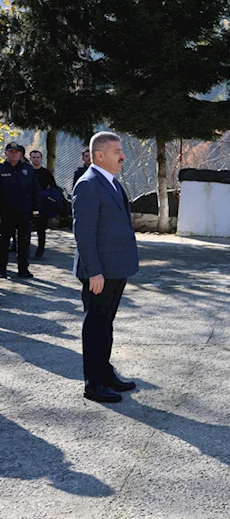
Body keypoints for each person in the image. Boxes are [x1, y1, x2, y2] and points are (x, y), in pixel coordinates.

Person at [73, 131, 139, 403]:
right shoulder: (88, 184)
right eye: (116, 152)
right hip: (100, 272)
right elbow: (83, 233)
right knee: (95, 325)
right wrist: (94, 272)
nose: (123, 156)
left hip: (115, 268)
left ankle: (105, 372)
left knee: (105, 324)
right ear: (99, 155)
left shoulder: (111, 182)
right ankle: (94, 384)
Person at [0, 142, 40, 279]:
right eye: (11, 152)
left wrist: (36, 209)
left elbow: (35, 190)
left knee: (24, 241)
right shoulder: (1, 169)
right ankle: (1, 270)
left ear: (21, 154)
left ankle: (23, 269)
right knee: (3, 241)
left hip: (24, 211)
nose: (14, 154)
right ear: (5, 153)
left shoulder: (28, 170)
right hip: (5, 212)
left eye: (16, 152)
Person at [29, 150, 58, 259]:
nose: (36, 159)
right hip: (28, 203)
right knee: (25, 228)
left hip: (42, 204)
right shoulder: (27, 171)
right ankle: (23, 250)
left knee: (41, 229)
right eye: (33, 157)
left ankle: (40, 251)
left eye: (37, 157)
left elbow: (53, 187)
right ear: (30, 159)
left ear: (41, 159)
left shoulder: (46, 173)